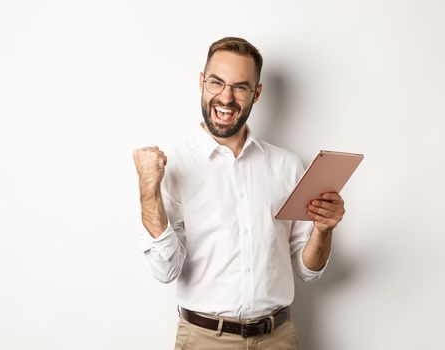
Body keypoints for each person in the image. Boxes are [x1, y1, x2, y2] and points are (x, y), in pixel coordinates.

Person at [133, 37, 345, 350]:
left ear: (256, 94)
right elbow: (166, 271)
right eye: (216, 82)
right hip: (205, 340)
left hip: (278, 338)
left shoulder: (287, 165)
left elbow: (306, 271)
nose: (226, 97)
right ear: (201, 83)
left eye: (240, 87)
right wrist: (147, 191)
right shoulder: (172, 166)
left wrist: (324, 230)